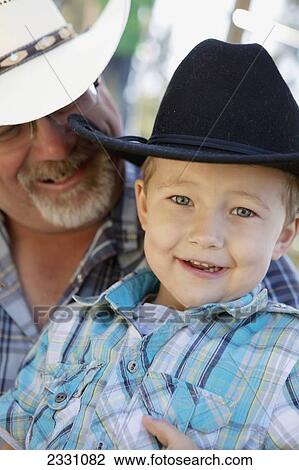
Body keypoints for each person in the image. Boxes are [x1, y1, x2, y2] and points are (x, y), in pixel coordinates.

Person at [1, 39, 299, 450]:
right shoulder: (72, 330)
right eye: (181, 200)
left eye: (243, 212)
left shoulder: (287, 357)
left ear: (285, 234)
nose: (206, 235)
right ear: (144, 205)